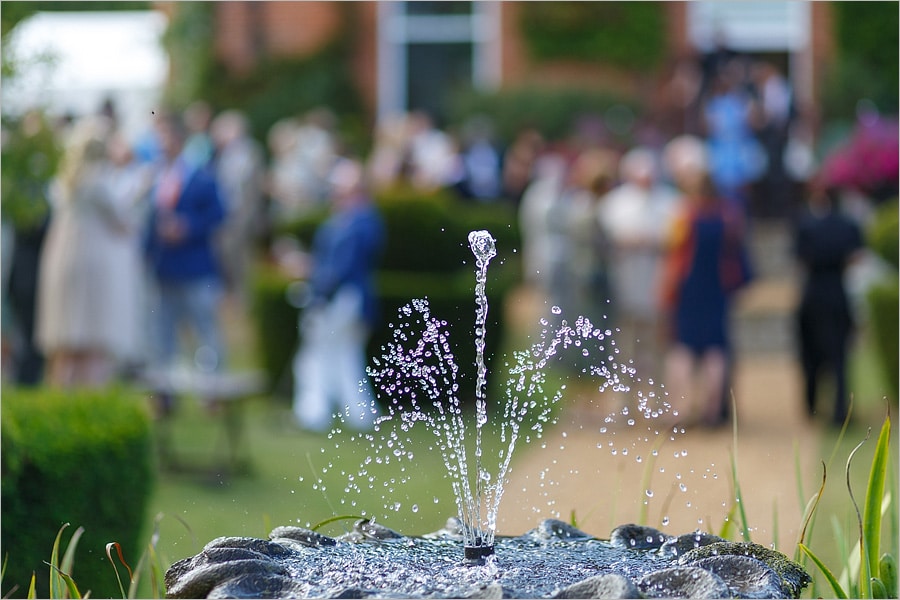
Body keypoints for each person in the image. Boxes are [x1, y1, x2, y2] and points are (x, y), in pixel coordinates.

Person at [35, 116, 145, 387]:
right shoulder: (98, 180)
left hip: (63, 259)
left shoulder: (64, 180)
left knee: (68, 341)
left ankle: (62, 399)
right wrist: (140, 189)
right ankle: (89, 403)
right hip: (94, 264)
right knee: (93, 339)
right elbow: (121, 220)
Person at [659, 136, 751, 427]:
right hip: (717, 289)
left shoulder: (684, 217)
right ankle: (713, 412)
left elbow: (672, 254)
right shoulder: (729, 217)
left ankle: (680, 411)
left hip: (688, 290)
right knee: (715, 350)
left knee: (682, 349)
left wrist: (666, 289)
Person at [292, 158, 385, 432]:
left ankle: (314, 412)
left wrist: (319, 287)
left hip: (343, 299)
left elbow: (343, 267)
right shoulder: (346, 220)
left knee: (319, 355)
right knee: (344, 356)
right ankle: (358, 414)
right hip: (341, 297)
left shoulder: (361, 222)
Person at [143, 111, 227, 413]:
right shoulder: (154, 177)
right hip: (165, 268)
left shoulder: (200, 175)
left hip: (196, 266)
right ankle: (164, 394)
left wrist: (187, 227)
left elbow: (219, 214)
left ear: (178, 140)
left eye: (165, 137)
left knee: (206, 331)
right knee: (162, 334)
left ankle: (212, 392)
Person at [599, 147, 680, 382]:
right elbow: (607, 237)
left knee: (657, 342)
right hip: (626, 278)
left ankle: (657, 396)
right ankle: (625, 397)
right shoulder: (615, 202)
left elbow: (674, 236)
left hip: (657, 279)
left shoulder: (669, 200)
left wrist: (652, 241)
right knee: (625, 341)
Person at [794, 184, 863, 426]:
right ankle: (840, 411)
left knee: (811, 353)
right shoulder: (848, 226)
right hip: (837, 293)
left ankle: (811, 404)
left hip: (813, 293)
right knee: (839, 356)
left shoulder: (806, 226)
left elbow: (800, 259)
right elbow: (856, 257)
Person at [210, 109, 266, 305]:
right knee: (228, 257)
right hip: (227, 216)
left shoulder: (252, 152)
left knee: (245, 260)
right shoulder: (223, 154)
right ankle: (234, 297)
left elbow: (253, 190)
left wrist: (246, 217)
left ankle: (247, 300)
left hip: (245, 217)